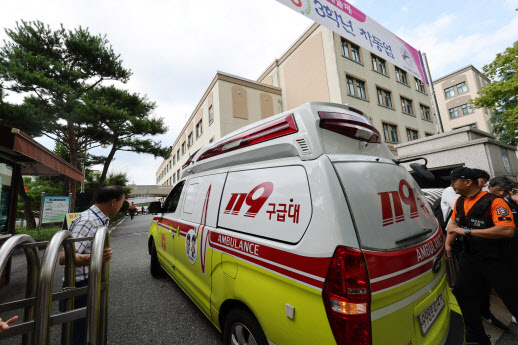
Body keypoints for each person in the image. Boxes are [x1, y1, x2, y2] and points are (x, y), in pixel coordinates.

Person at [444, 167, 518, 345]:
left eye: (454, 181)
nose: (452, 185)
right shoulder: (461, 201)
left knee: (512, 297)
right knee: (462, 292)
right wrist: (448, 243)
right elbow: (454, 222)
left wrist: (469, 231)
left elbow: (507, 230)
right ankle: (477, 335)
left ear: (467, 182)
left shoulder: (495, 202)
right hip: (471, 258)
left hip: (496, 259)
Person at [58, 185, 123, 345]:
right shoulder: (89, 221)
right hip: (79, 288)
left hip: (86, 284)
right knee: (78, 337)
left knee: (87, 332)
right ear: (113, 202)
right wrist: (94, 257)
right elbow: (64, 257)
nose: (122, 205)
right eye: (122, 202)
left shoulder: (98, 219)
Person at [477, 176, 516, 332]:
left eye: (505, 191)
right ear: (489, 186)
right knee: (505, 287)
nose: (502, 193)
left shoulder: (509, 202)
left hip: (511, 250)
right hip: (494, 253)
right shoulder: (483, 204)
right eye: (499, 189)